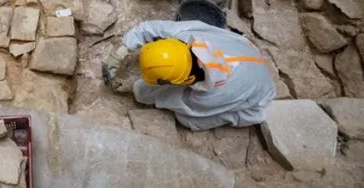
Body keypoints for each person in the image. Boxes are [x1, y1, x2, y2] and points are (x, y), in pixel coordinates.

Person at [102, 20, 275, 131]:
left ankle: (238, 114)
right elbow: (149, 28)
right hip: (246, 51)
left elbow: (162, 96)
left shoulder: (206, 97)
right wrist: (121, 50)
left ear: (185, 81)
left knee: (189, 120)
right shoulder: (190, 36)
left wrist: (134, 88)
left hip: (259, 92)